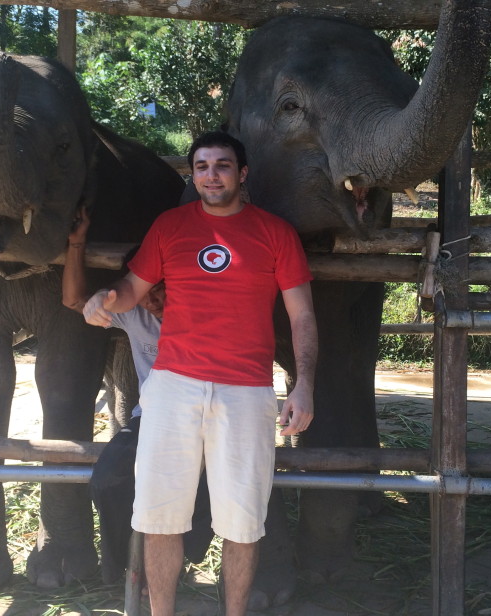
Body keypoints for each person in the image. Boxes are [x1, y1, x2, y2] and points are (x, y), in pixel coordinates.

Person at [83, 131, 317, 616]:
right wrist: (103, 299)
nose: (212, 175)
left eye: (223, 165)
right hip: (173, 387)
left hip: (247, 390)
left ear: (242, 173)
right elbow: (132, 286)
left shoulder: (276, 234)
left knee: (242, 520)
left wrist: (304, 384)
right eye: (203, 166)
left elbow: (302, 316)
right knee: (159, 515)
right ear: (194, 174)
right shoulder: (170, 227)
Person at [61, 207, 212, 584]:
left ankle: (182, 558)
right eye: (147, 292)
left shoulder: (207, 309)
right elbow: (73, 300)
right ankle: (125, 571)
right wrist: (77, 243)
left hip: (208, 418)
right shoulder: (133, 314)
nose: (154, 300)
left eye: (162, 288)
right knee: (109, 479)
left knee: (207, 489)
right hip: (153, 419)